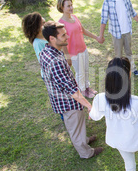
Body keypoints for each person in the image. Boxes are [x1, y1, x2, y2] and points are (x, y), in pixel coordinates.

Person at [40, 21, 103, 159]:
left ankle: (84, 139)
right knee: (75, 128)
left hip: (65, 98)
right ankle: (86, 153)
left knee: (79, 124)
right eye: (63, 35)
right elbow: (72, 91)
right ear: (52, 38)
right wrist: (88, 105)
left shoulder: (47, 50)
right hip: (68, 102)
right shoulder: (55, 61)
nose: (67, 37)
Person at [99, 0, 138, 76]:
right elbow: (103, 20)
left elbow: (133, 13)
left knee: (129, 52)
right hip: (116, 33)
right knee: (118, 55)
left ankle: (132, 69)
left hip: (127, 31)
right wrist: (101, 35)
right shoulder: (107, 2)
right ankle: (120, 72)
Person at [57, 0, 100, 98]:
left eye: (71, 5)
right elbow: (62, 42)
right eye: (68, 6)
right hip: (73, 53)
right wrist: (67, 57)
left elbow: (83, 30)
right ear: (62, 8)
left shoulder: (75, 17)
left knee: (85, 70)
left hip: (83, 49)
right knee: (80, 73)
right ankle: (82, 90)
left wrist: (96, 37)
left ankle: (87, 87)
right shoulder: (61, 23)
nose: (71, 8)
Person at [22, 12, 71, 78]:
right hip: (52, 73)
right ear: (36, 27)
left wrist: (67, 57)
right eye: (43, 23)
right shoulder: (37, 43)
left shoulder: (46, 36)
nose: (45, 25)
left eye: (45, 22)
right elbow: (45, 59)